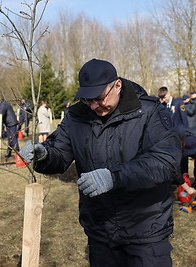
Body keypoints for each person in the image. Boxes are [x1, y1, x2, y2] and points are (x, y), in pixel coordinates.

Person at [20, 59, 181, 266]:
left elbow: (165, 161)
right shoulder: (77, 117)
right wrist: (44, 155)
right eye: (88, 100)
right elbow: (59, 154)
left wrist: (114, 177)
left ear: (117, 86)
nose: (94, 106)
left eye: (99, 98)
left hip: (145, 229)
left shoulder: (149, 112)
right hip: (100, 229)